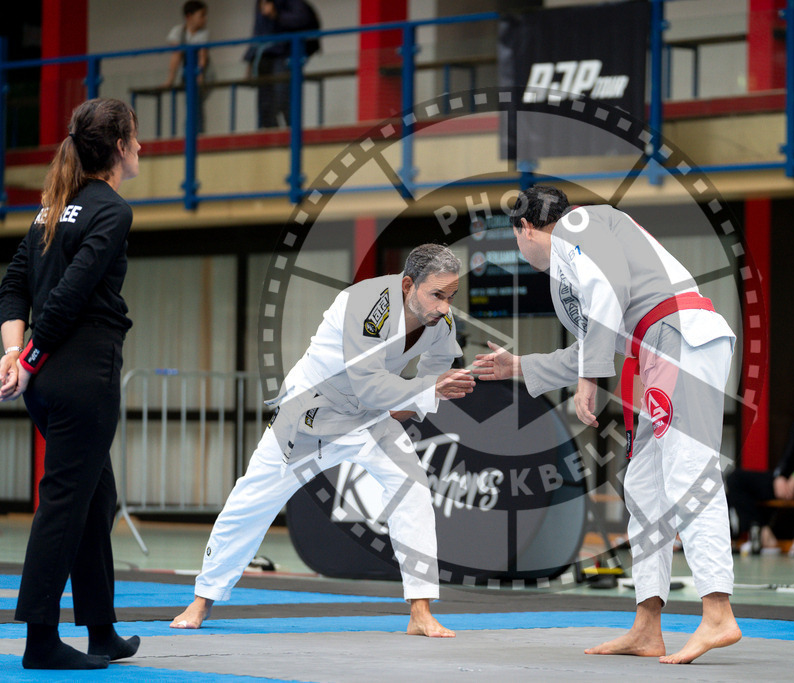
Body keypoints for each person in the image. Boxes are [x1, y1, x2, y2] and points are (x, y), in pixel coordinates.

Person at [473, 186, 741, 665]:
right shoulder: (574, 260)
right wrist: (519, 366)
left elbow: (607, 294)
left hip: (680, 336)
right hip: (658, 348)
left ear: (525, 228)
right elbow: (597, 337)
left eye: (517, 239)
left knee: (689, 470)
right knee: (643, 485)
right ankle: (647, 626)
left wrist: (590, 378)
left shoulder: (582, 224)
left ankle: (718, 611)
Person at [170, 244, 474, 637]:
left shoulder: (440, 323)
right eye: (437, 296)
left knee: (412, 490)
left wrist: (418, 402)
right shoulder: (363, 303)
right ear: (407, 285)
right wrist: (427, 387)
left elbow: (438, 364)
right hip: (311, 415)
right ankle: (202, 600)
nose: (445, 307)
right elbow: (370, 384)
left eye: (451, 297)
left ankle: (420, 612)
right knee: (252, 501)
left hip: (367, 418)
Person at [0, 98, 142, 670]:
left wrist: (14, 355)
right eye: (136, 138)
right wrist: (27, 358)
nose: (142, 147)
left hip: (47, 377)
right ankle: (39, 640)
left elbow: (13, 283)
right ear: (118, 147)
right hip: (83, 373)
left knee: (94, 496)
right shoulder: (110, 210)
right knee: (63, 503)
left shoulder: (50, 209)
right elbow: (68, 297)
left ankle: (101, 629)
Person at [725, 418, 794, 554]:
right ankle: (760, 529)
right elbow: (788, 455)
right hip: (787, 481)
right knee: (735, 478)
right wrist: (779, 476)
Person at [243, 0, 321, 128]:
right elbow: (257, 32)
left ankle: (291, 135)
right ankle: (268, 137)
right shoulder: (260, 3)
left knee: (283, 99)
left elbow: (302, 19)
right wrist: (250, 61)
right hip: (264, 57)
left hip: (285, 54)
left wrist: (276, 14)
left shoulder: (291, 4)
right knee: (265, 104)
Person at [162, 1, 211, 133]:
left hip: (202, 73)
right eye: (202, 15)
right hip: (188, 73)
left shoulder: (203, 34)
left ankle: (196, 132)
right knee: (192, 105)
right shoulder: (178, 32)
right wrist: (170, 79)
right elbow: (176, 57)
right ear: (189, 16)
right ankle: (192, 131)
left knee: (195, 105)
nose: (204, 19)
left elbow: (202, 56)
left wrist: (199, 75)